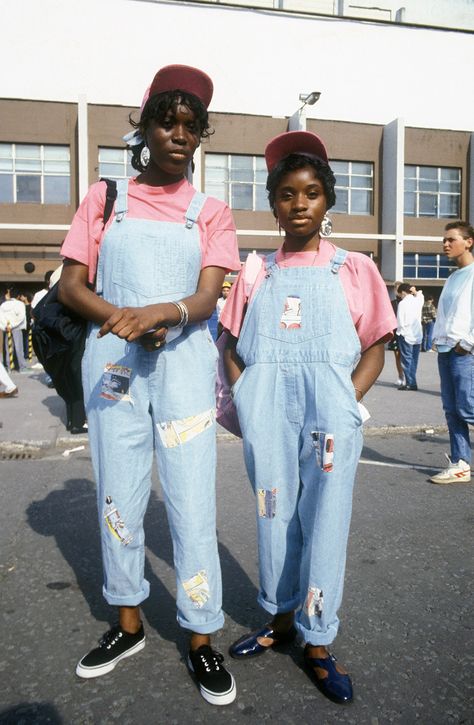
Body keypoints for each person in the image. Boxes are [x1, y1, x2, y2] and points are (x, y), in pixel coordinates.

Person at [58, 64, 240, 705]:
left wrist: (164, 314)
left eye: (192, 127)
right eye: (168, 121)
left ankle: (199, 635)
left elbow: (208, 293)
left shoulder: (212, 213)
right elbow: (70, 285)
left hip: (185, 366)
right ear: (146, 125)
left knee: (192, 505)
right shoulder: (104, 198)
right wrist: (122, 321)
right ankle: (128, 622)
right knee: (120, 497)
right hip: (114, 368)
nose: (180, 135)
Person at [221, 131, 396, 704]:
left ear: (328, 202)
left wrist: (350, 401)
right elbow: (228, 338)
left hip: (330, 412)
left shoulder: (354, 268)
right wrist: (245, 391)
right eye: (288, 194)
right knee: (273, 511)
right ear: (273, 203)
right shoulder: (255, 271)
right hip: (268, 410)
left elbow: (377, 340)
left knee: (325, 517)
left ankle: (318, 639)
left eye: (312, 193)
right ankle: (279, 618)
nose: (300, 204)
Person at [430, 221, 474, 485]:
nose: (445, 245)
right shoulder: (452, 277)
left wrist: (467, 343)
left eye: (451, 239)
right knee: (452, 410)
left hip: (464, 352)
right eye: (444, 240)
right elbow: (447, 315)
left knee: (467, 407)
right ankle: (460, 464)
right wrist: (438, 339)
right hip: (446, 350)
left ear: (469, 242)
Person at [396, 283, 424, 390]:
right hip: (417, 335)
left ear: (403, 292)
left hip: (405, 334)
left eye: (400, 294)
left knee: (406, 360)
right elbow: (421, 296)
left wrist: (399, 332)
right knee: (414, 360)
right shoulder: (417, 300)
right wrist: (415, 291)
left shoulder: (403, 303)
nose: (400, 296)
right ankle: (412, 382)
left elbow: (400, 320)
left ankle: (410, 383)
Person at [0, 288, 28, 372]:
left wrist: (6, 325)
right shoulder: (20, 304)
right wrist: (12, 325)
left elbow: (0, 316)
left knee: (8, 347)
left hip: (6, 328)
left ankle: (8, 367)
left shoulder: (3, 305)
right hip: (17, 327)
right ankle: (22, 367)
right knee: (19, 347)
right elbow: (21, 317)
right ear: (18, 296)